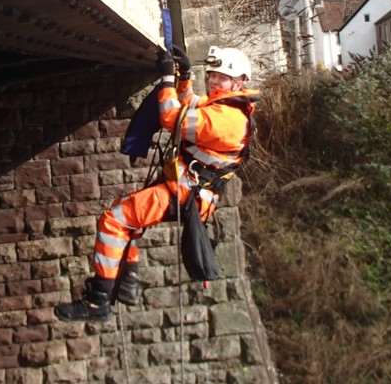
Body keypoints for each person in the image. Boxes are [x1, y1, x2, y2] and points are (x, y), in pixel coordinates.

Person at [54, 45, 260, 322]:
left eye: (220, 77)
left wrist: (166, 79)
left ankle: (98, 301)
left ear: (238, 81)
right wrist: (183, 76)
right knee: (123, 213)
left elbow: (171, 117)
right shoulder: (223, 107)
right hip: (186, 190)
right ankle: (127, 283)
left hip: (186, 193)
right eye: (211, 75)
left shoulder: (227, 119)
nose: (213, 81)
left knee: (115, 221)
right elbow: (188, 102)